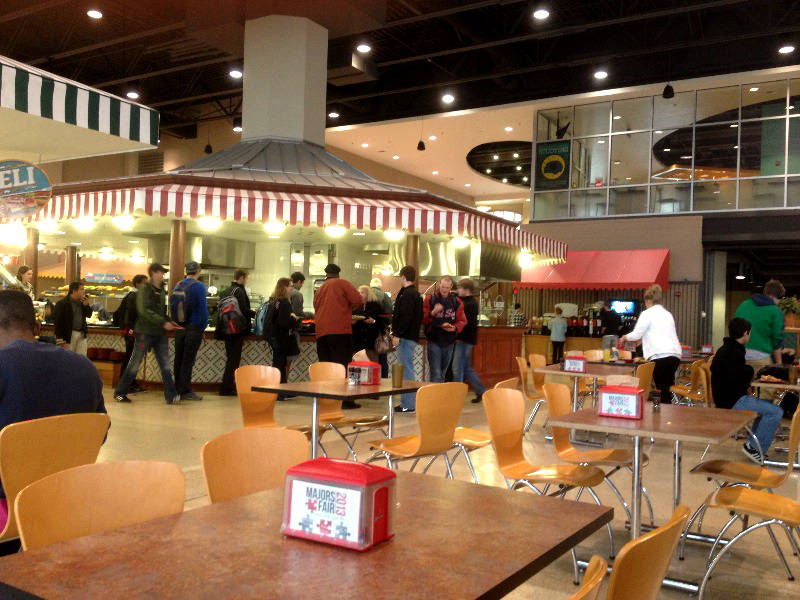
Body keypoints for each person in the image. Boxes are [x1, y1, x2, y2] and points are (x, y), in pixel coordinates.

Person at [0, 290, 107, 515]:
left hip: (9, 509)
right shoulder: (86, 368)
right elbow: (100, 434)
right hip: (67, 504)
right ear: (37, 328)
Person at [711, 317, 784, 464]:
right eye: (749, 333)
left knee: (766, 409)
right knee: (775, 411)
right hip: (731, 401)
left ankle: (753, 445)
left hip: (728, 397)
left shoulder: (727, 349)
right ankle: (754, 448)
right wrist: (749, 370)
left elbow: (735, 376)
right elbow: (738, 378)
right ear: (745, 333)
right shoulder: (732, 352)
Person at [114, 263, 181, 404]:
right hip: (144, 333)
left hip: (159, 333)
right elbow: (143, 310)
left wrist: (169, 321)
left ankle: (171, 395)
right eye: (161, 272)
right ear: (154, 273)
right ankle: (120, 392)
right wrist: (163, 323)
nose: (163, 275)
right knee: (134, 363)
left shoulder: (161, 290)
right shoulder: (144, 289)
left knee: (165, 364)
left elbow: (160, 312)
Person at [621, 284, 682, 404]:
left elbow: (636, 334)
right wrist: (643, 340)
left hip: (660, 356)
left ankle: (664, 413)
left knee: (662, 389)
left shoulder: (647, 313)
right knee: (666, 388)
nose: (645, 305)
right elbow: (661, 333)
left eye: (645, 302)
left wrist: (625, 337)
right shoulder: (667, 314)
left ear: (649, 300)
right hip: (675, 356)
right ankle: (668, 412)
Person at [313, 264, 362, 408]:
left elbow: (316, 306)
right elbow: (357, 300)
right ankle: (345, 400)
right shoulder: (342, 283)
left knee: (327, 367)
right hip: (340, 331)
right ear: (338, 274)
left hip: (321, 332)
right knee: (343, 366)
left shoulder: (320, 289)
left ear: (326, 274)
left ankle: (328, 399)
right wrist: (348, 308)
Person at [172, 261, 208, 401]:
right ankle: (185, 391)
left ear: (186, 271)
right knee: (188, 360)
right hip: (194, 328)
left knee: (179, 359)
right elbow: (203, 310)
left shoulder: (178, 284)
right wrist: (202, 327)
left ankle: (177, 389)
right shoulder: (199, 286)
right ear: (198, 271)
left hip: (179, 327)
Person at [218, 269, 256, 396]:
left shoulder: (226, 291)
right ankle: (226, 388)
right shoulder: (239, 291)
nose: (247, 280)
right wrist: (257, 314)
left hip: (226, 328)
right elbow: (244, 310)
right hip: (237, 329)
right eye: (246, 278)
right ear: (242, 277)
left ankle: (226, 386)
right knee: (233, 360)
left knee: (231, 358)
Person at [735, 279, 786, 373]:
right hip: (761, 359)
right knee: (764, 382)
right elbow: (777, 340)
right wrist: (779, 363)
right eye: (780, 299)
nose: (779, 302)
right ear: (775, 296)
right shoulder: (775, 311)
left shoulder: (743, 306)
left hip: (739, 358)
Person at [422, 275, 467, 384]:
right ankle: (435, 394)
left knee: (443, 373)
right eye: (442, 287)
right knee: (436, 373)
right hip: (434, 340)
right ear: (439, 285)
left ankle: (439, 394)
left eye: (447, 288)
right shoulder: (430, 299)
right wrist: (433, 312)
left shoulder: (456, 301)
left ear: (451, 287)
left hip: (449, 341)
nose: (444, 290)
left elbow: (462, 320)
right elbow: (422, 319)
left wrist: (454, 328)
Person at [392, 265, 423, 413]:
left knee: (406, 371)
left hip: (405, 337)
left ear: (403, 276)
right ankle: (408, 403)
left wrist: (397, 334)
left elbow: (406, 316)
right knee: (407, 370)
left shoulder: (407, 294)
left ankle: (408, 404)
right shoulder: (414, 294)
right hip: (410, 336)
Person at [453, 278, 487, 403]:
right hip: (467, 339)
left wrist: (454, 328)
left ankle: (457, 396)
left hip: (464, 339)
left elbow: (465, 322)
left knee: (457, 368)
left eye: (460, 288)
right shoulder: (469, 302)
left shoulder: (469, 304)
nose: (458, 290)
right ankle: (481, 391)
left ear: (466, 290)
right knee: (467, 368)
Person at [264, 277, 297, 384]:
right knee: (280, 364)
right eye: (291, 286)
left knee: (277, 362)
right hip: (280, 337)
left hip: (272, 336)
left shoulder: (273, 300)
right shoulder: (284, 303)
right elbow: (284, 323)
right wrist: (293, 318)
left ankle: (278, 387)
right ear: (284, 287)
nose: (292, 288)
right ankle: (280, 388)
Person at [119, 274, 148, 394]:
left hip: (133, 331)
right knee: (131, 359)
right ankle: (126, 385)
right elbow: (131, 316)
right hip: (133, 332)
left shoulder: (136, 296)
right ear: (138, 284)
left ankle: (130, 383)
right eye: (145, 283)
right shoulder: (133, 296)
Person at [53, 281, 93, 355]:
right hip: (69, 334)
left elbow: (89, 315)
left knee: (81, 357)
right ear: (74, 290)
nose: (83, 292)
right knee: (68, 357)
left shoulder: (82, 302)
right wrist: (59, 337)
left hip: (81, 333)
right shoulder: (63, 303)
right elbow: (58, 321)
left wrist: (86, 305)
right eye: (81, 289)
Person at [287, 272, 311, 381]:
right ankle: (284, 385)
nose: (301, 286)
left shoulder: (283, 292)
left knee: (282, 361)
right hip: (292, 331)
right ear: (299, 281)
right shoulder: (297, 294)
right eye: (302, 283)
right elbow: (297, 313)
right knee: (288, 361)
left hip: (282, 331)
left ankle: (280, 384)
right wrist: (311, 314)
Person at [352, 285, 385, 364]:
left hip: (371, 342)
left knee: (371, 365)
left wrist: (374, 321)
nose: (360, 294)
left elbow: (384, 323)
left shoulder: (376, 306)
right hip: (357, 342)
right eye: (358, 292)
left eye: (362, 292)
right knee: (357, 366)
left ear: (368, 294)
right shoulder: (355, 306)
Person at [370, 277, 393, 377]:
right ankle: (383, 380)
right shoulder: (384, 295)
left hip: (367, 334)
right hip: (380, 332)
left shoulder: (366, 294)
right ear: (380, 286)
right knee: (382, 359)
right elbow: (389, 314)